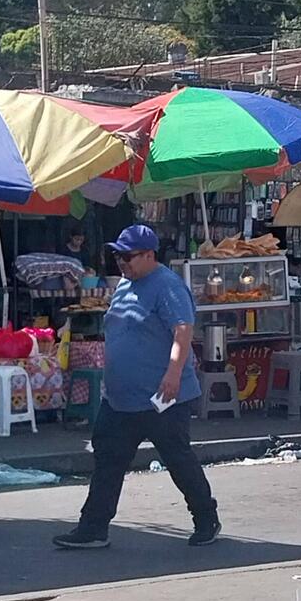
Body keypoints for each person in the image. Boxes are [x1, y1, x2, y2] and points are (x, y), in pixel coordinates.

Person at [54, 224, 220, 549]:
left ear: (148, 255)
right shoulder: (124, 285)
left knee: (177, 459)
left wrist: (173, 374)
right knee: (108, 460)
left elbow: (183, 331)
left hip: (161, 396)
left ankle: (206, 518)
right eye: (118, 256)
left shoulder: (167, 286)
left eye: (128, 256)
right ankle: (93, 528)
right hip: (121, 398)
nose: (121, 262)